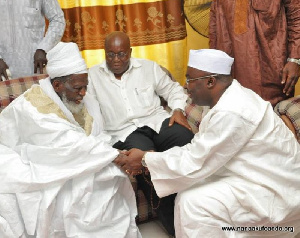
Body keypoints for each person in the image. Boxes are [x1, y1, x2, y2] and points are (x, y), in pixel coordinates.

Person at [114, 49, 300, 237]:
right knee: (190, 189)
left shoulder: (232, 111)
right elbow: (199, 151)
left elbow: (194, 160)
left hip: (276, 190)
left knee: (193, 202)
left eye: (189, 80)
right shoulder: (224, 100)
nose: (186, 87)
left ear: (210, 82)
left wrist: (146, 159)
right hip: (252, 174)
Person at [0, 42, 141, 238]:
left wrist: (107, 155)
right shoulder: (33, 106)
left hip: (78, 155)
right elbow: (63, 144)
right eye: (78, 88)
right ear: (57, 85)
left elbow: (95, 134)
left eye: (85, 86)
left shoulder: (81, 97)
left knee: (104, 180)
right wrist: (115, 156)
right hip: (36, 158)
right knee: (72, 192)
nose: (83, 93)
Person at [88, 31, 194, 235]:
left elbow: (173, 90)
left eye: (121, 54)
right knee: (146, 167)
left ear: (130, 51)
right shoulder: (92, 77)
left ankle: (198, 205)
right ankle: (174, 226)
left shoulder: (149, 68)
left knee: (187, 140)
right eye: (111, 55)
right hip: (124, 132)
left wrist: (178, 109)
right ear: (104, 53)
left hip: (156, 121)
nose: (116, 60)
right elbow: (92, 116)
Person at [209, 0, 300, 107]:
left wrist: (295, 59)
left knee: (271, 117)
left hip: (270, 72)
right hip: (229, 73)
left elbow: (297, 15)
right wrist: (212, 68)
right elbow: (214, 25)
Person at [0, 0, 66, 81]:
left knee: (35, 93)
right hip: (3, 69)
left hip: (33, 65)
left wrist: (43, 48)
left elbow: (57, 19)